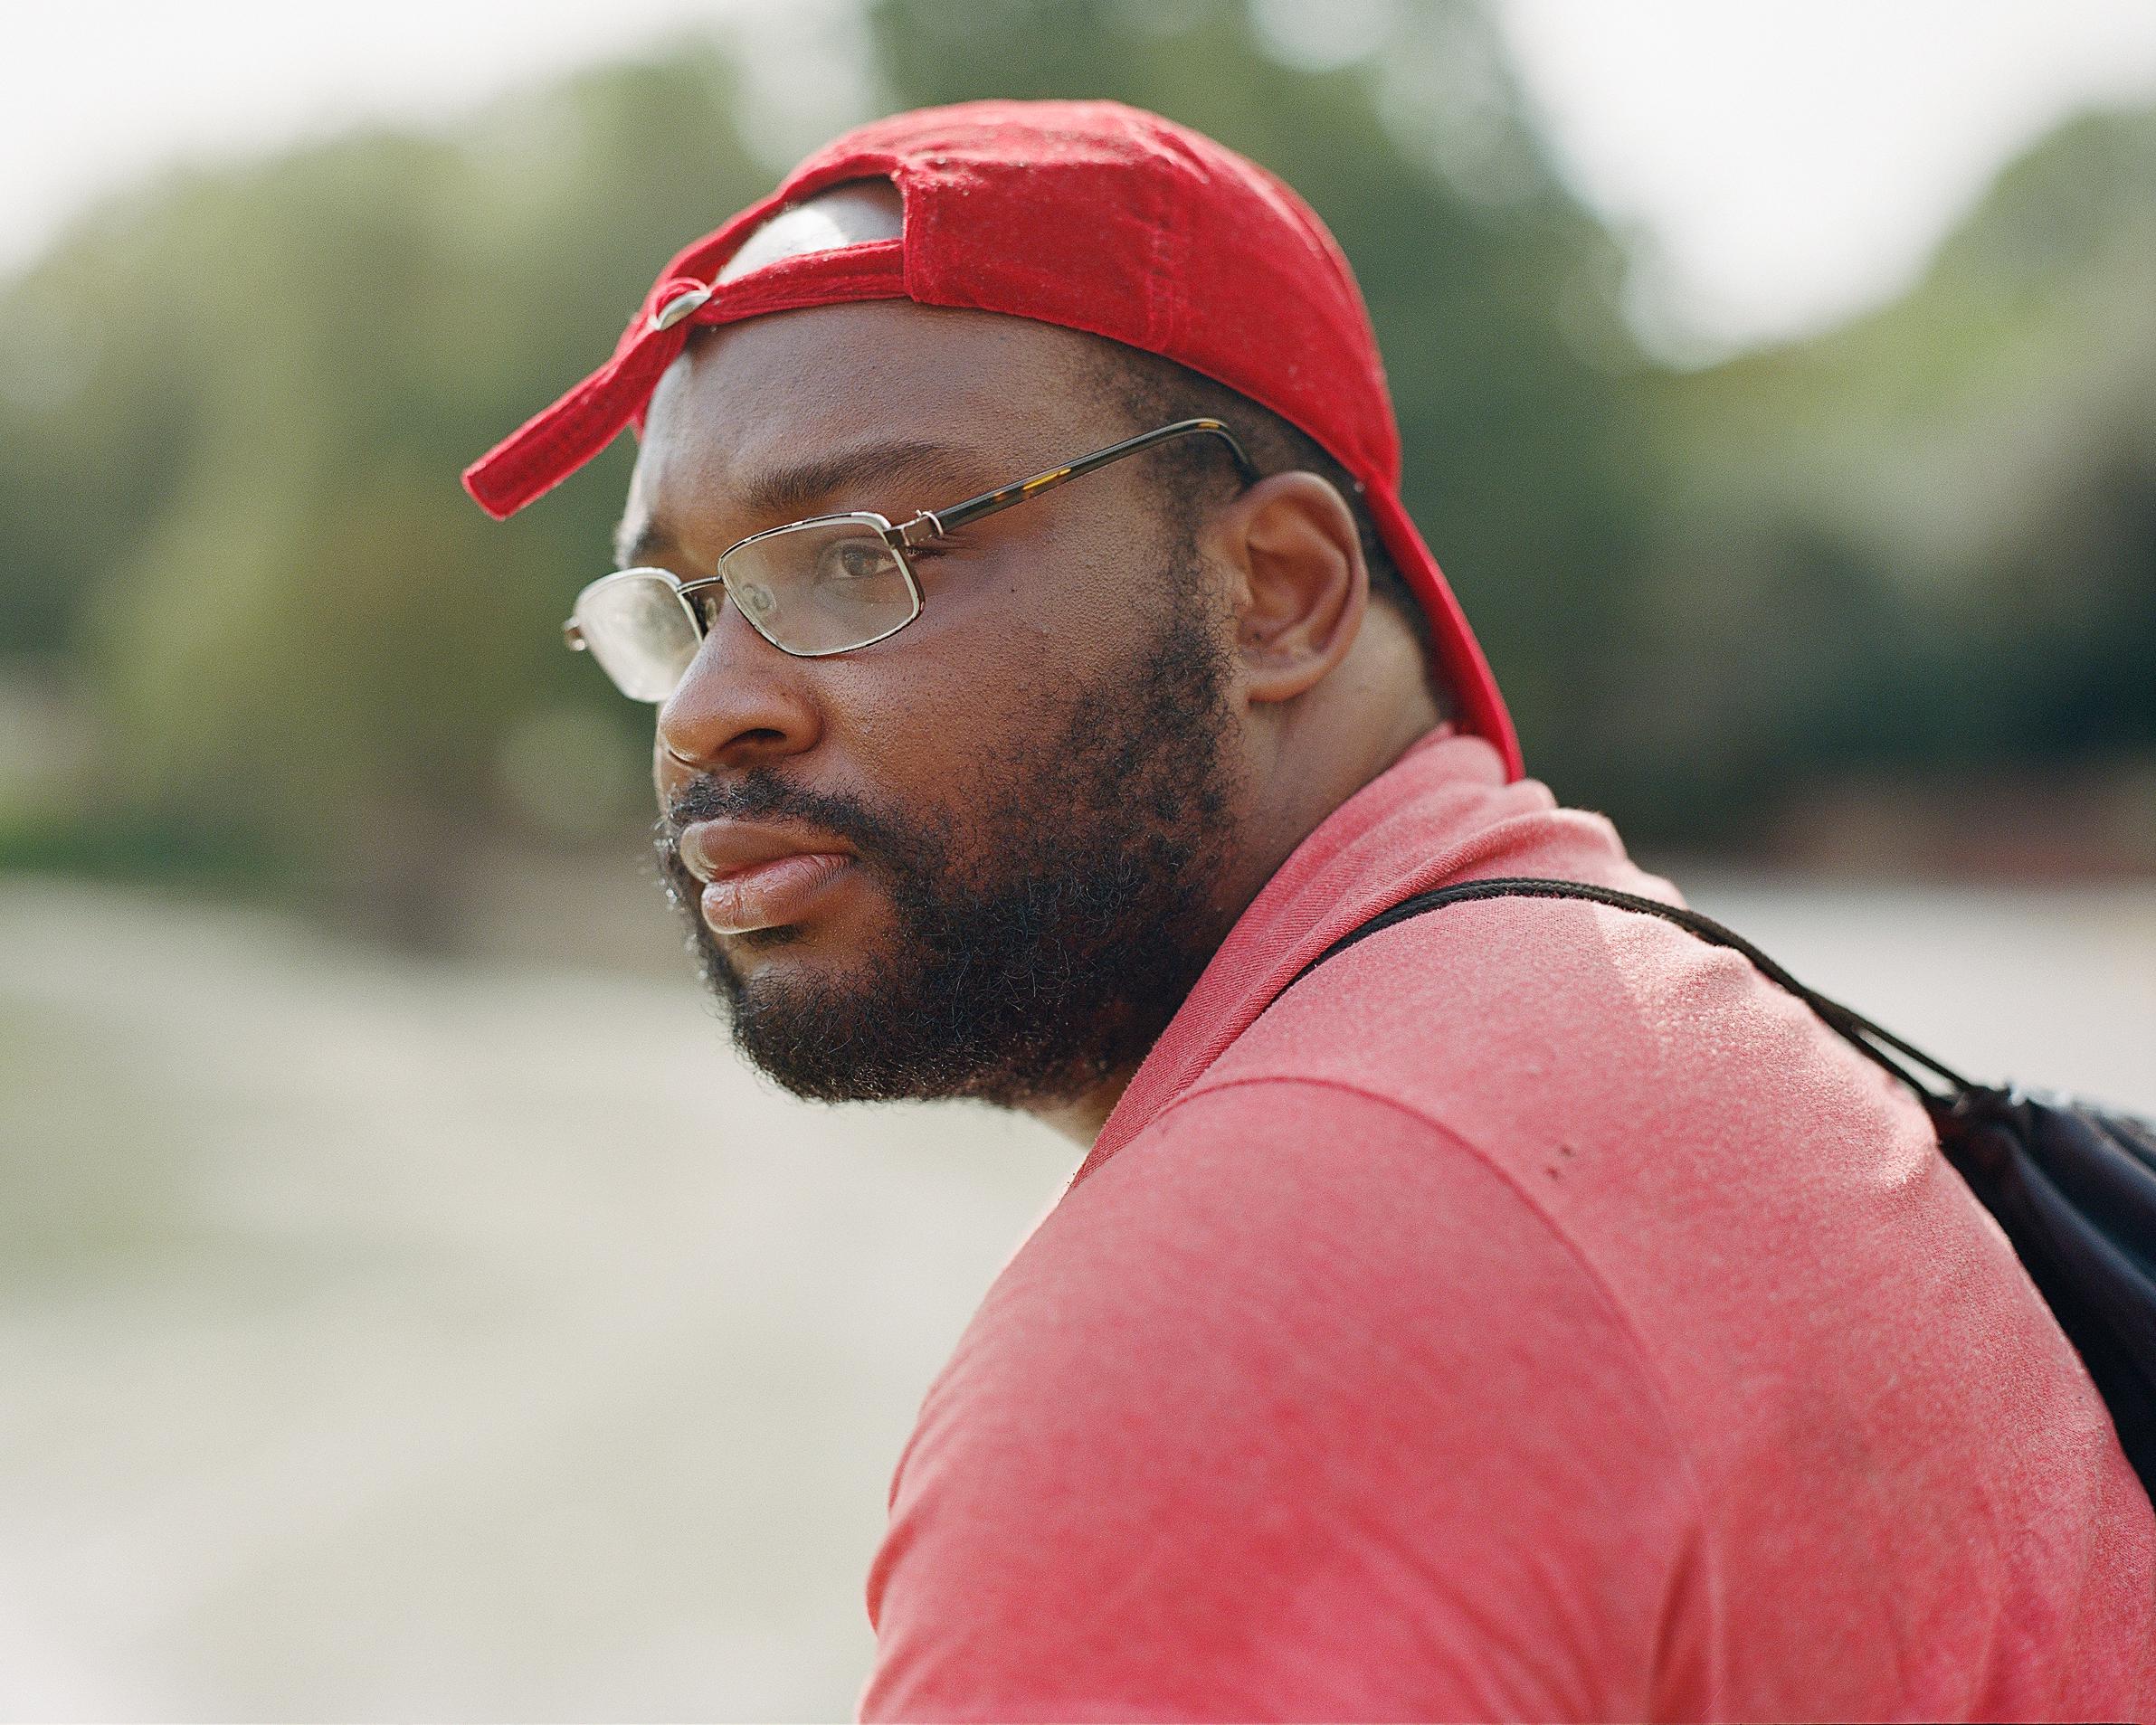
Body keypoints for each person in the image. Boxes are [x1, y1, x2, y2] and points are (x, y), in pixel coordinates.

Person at [463, 101, 2154, 1721]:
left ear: (1277, 592)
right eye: (673, 610)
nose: (702, 712)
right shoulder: (1598, 998)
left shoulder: (1258, 1312)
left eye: (854, 557)